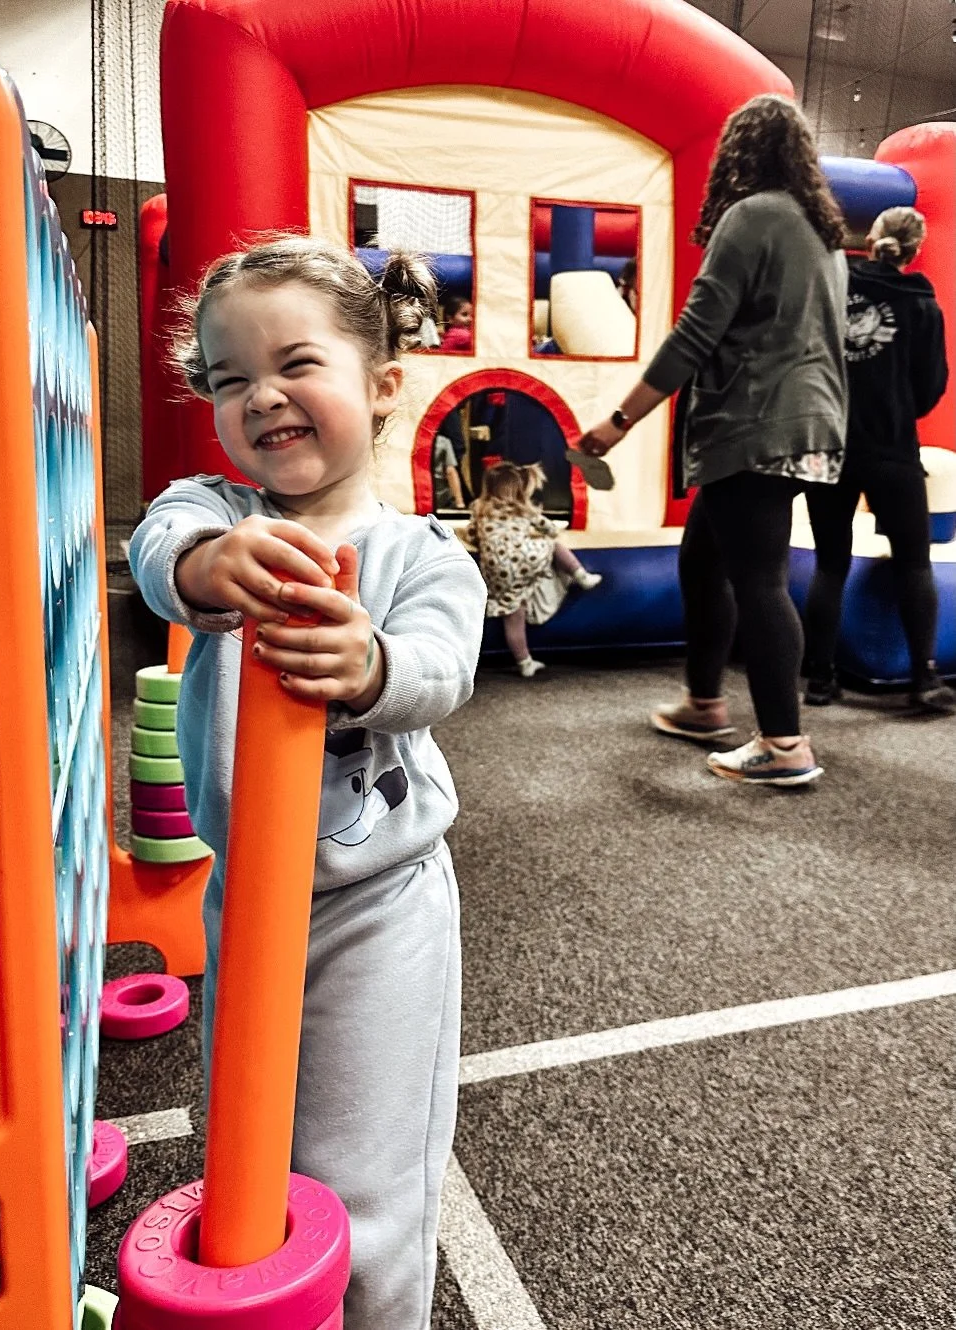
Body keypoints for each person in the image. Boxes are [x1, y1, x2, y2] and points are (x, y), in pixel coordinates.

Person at [129, 235, 487, 1330]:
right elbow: (160, 549)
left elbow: (443, 667)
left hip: (379, 907)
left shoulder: (422, 554)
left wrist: (370, 665)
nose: (262, 396)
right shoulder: (215, 512)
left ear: (380, 386)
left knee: (367, 1179)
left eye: (296, 365)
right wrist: (207, 567)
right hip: (246, 898)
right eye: (230, 378)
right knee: (252, 1154)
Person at [578, 93, 848, 786]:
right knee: (703, 562)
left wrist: (618, 421)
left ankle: (784, 744)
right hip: (810, 420)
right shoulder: (819, 230)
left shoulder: (753, 214)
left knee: (759, 580)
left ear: (738, 153)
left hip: (756, 423)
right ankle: (704, 704)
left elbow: (695, 334)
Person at [803, 207, 954, 713]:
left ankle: (820, 679)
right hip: (891, 448)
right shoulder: (923, 305)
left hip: (829, 442)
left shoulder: (832, 285)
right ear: (914, 251)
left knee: (830, 561)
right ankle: (924, 679)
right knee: (914, 561)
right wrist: (895, 405)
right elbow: (931, 387)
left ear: (870, 240)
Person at [465, 460, 602, 677]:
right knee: (553, 545)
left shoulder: (479, 508)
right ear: (518, 489)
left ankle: (524, 662)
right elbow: (551, 530)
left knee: (513, 615)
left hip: (496, 571)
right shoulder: (523, 509)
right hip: (524, 559)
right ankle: (580, 574)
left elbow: (472, 534)